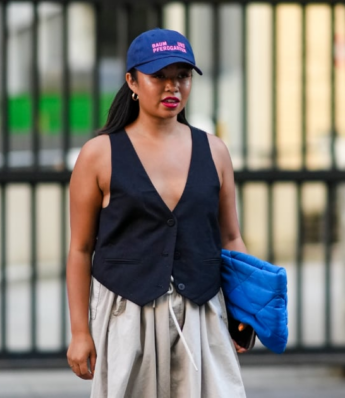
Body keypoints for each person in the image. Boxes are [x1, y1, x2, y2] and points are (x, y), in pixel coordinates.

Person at [65, 28, 249, 397]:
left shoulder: (214, 151)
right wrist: (80, 332)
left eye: (181, 76)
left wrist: (243, 314)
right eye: (158, 77)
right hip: (125, 313)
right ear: (132, 81)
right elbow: (81, 249)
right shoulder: (100, 154)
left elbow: (231, 238)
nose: (172, 87)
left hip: (202, 312)